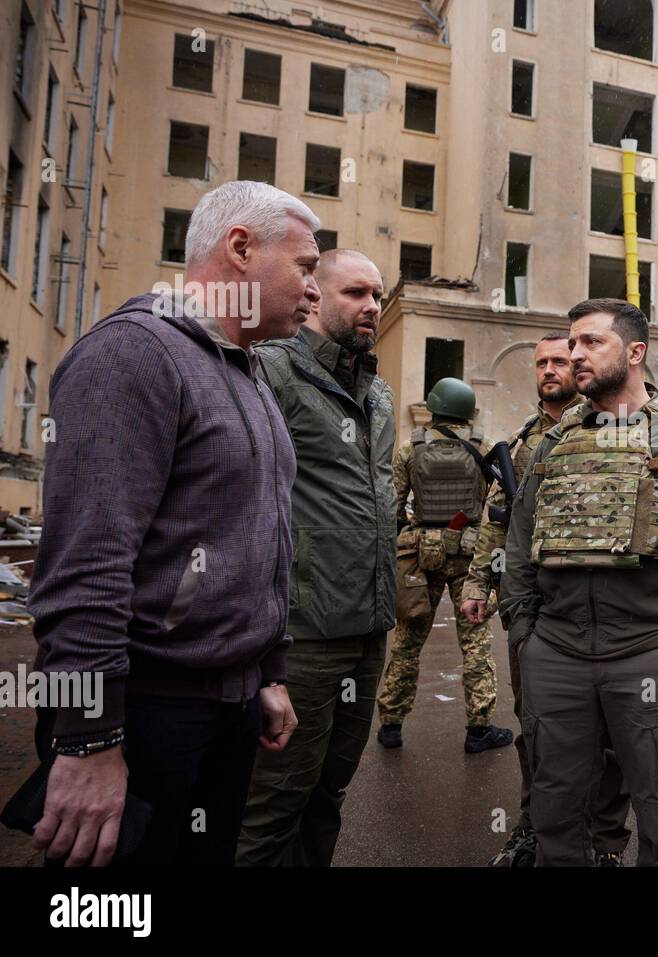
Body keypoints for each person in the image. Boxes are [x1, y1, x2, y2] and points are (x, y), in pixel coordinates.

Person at [26, 180, 317, 866]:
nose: (314, 288)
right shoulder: (132, 356)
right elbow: (83, 568)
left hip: (229, 708)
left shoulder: (248, 374)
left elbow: (254, 537)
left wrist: (263, 672)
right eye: (305, 266)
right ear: (241, 247)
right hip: (147, 715)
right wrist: (89, 739)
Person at [501, 298, 658, 866]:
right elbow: (519, 539)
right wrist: (525, 633)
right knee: (556, 815)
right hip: (556, 652)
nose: (574, 354)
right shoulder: (555, 443)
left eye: (591, 342)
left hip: (649, 653)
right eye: (572, 342)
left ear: (636, 352)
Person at [237, 249, 397, 866]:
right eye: (355, 293)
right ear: (314, 297)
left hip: (367, 629)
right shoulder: (273, 371)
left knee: (329, 794)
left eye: (377, 295)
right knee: (274, 802)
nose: (371, 307)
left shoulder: (377, 393)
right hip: (302, 637)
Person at [461, 333, 632, 867]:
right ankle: (534, 825)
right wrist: (477, 585)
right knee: (537, 728)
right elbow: (496, 525)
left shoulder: (604, 425)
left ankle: (604, 840)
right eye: (542, 363)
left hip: (601, 603)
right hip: (535, 611)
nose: (552, 369)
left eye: (561, 359)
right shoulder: (516, 446)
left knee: (607, 734)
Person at [377, 378, 513, 753]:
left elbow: (392, 505)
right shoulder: (483, 447)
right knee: (476, 644)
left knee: (407, 641)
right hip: (469, 557)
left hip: (422, 557)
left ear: (434, 407)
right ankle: (479, 727)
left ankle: (391, 723)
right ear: (467, 410)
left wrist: (410, 537)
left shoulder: (410, 448)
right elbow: (499, 503)